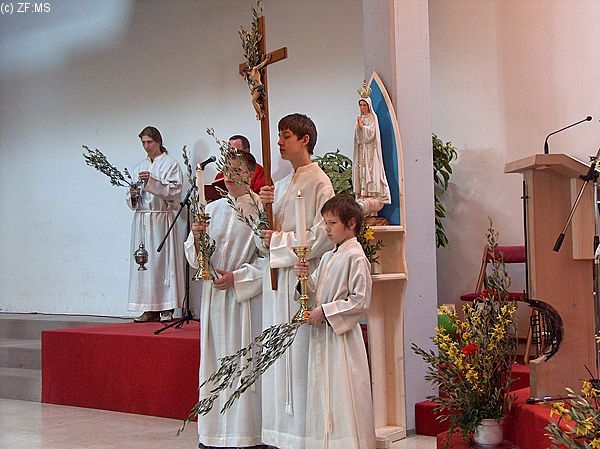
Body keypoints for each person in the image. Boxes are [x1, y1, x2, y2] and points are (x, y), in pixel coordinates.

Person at [258, 113, 335, 449]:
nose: (279, 142)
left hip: (301, 278)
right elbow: (268, 236)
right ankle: (278, 433)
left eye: (286, 135)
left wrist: (278, 241)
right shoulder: (282, 184)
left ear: (305, 139)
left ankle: (301, 435)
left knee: (298, 356)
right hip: (277, 280)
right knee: (276, 354)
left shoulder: (319, 182)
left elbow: (322, 235)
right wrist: (264, 211)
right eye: (278, 135)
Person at [184, 151, 266, 449]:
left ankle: (246, 435)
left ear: (251, 174)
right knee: (214, 362)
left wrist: (238, 277)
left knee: (243, 362)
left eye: (237, 170)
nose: (230, 176)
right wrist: (197, 238)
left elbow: (268, 260)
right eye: (227, 170)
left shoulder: (261, 210)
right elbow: (194, 257)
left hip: (243, 301)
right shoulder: (213, 209)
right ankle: (214, 434)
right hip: (214, 299)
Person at [294, 194, 376, 449]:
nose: (327, 229)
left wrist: (326, 312)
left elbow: (360, 301)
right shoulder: (329, 256)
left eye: (332, 223)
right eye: (325, 223)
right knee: (324, 392)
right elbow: (315, 290)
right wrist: (304, 280)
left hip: (343, 340)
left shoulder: (356, 257)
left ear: (351, 223)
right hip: (324, 336)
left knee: (343, 393)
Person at [126, 126, 184, 322]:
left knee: (162, 262)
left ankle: (166, 307)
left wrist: (151, 182)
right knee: (144, 263)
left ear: (158, 142)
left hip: (160, 219)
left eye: (149, 142)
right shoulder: (139, 166)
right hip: (142, 219)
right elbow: (132, 200)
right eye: (143, 142)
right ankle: (148, 307)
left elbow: (174, 192)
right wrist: (133, 195)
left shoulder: (170, 165)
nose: (146, 146)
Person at [353, 87, 392, 216]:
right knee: (362, 172)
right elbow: (358, 138)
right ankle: (363, 195)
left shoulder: (372, 118)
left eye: (364, 105)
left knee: (370, 172)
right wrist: (358, 128)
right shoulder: (361, 118)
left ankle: (371, 197)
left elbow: (371, 134)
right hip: (362, 150)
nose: (362, 107)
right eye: (360, 105)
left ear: (369, 106)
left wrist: (362, 127)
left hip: (371, 151)